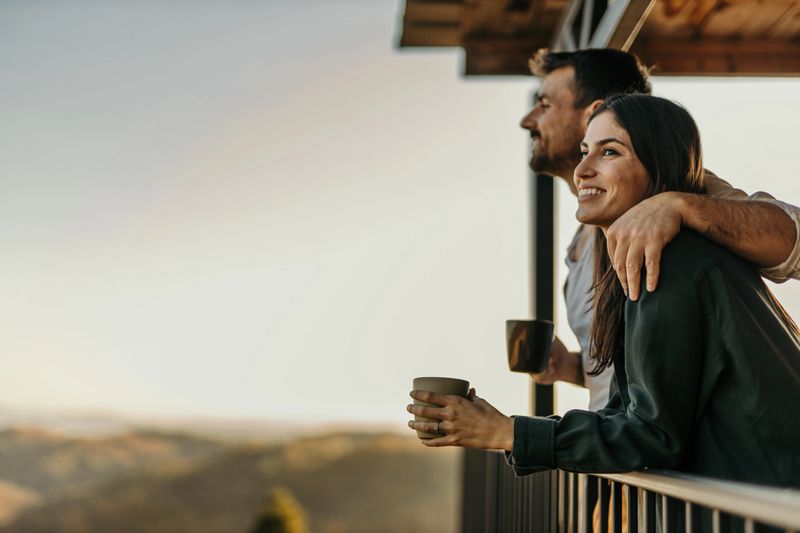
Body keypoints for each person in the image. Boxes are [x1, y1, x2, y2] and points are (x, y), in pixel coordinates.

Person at [407, 94, 800, 490]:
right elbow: (624, 412)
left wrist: (507, 434)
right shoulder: (643, 260)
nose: (582, 170)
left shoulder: (670, 261)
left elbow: (651, 437)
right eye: (584, 151)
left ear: (659, 166)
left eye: (609, 152)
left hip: (774, 505)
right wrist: (502, 425)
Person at [520, 49, 800, 410]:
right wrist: (571, 367)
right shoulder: (581, 242)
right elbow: (649, 369)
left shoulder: (684, 190)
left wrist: (680, 205)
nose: (528, 121)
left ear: (593, 111)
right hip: (615, 453)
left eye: (544, 104)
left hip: (664, 459)